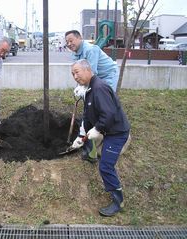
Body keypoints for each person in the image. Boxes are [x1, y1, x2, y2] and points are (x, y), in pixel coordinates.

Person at [70, 59, 130, 217]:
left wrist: (97, 129)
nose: (75, 76)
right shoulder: (89, 89)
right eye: (72, 74)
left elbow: (109, 114)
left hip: (116, 133)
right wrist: (81, 135)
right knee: (89, 139)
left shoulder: (99, 88)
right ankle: (90, 155)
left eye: (77, 72)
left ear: (88, 70)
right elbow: (88, 115)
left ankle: (118, 202)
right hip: (108, 130)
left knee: (106, 167)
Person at [65, 30, 120, 162]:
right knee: (89, 106)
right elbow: (79, 73)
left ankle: (105, 137)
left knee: (102, 105)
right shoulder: (75, 54)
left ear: (80, 38)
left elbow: (92, 73)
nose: (69, 43)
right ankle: (89, 142)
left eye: (71, 40)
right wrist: (79, 87)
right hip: (95, 78)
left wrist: (85, 89)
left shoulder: (91, 49)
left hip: (107, 76)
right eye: (67, 42)